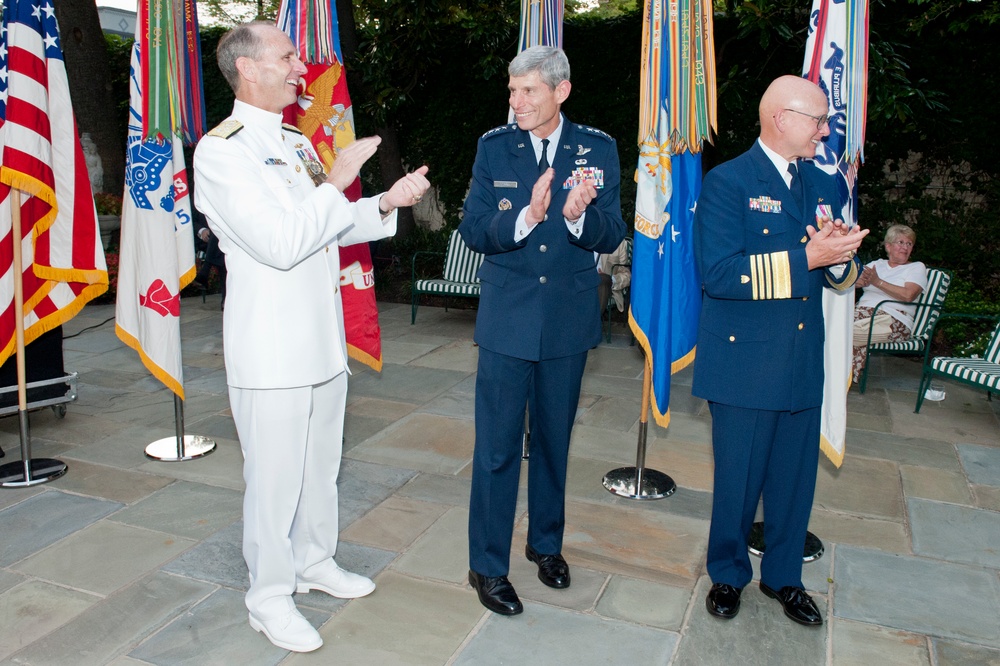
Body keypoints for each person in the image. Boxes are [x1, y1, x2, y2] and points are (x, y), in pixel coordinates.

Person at [193, 22, 430, 653]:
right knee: (273, 480)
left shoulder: (295, 141)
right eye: (289, 56)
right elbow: (279, 241)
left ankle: (313, 560)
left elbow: (322, 226)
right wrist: (335, 180)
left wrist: (382, 202)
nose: (302, 67)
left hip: (322, 339)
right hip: (272, 350)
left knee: (321, 467)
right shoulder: (222, 151)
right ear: (248, 69)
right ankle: (268, 596)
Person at [692, 75, 867, 627]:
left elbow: (841, 273)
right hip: (744, 363)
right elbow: (718, 275)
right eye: (816, 120)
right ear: (780, 118)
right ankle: (727, 575)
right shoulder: (728, 182)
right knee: (738, 481)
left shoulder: (821, 183)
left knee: (794, 482)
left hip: (799, 359)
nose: (824, 130)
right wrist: (808, 261)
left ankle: (785, 578)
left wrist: (838, 258)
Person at [459, 45, 627, 616]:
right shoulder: (494, 147)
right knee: (498, 449)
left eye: (528, 90)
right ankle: (487, 566)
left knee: (554, 443)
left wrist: (579, 215)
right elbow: (475, 229)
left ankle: (546, 546)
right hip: (508, 319)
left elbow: (612, 233)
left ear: (562, 91)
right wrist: (528, 216)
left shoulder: (597, 149)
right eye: (512, 90)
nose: (516, 101)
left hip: (566, 321)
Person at [851, 224, 927, 382]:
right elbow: (853, 282)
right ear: (888, 246)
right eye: (901, 242)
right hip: (861, 315)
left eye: (909, 244)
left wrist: (877, 282)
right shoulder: (876, 264)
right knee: (833, 326)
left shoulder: (916, 268)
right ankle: (842, 376)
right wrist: (856, 281)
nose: (905, 247)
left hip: (895, 320)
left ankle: (842, 377)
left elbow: (908, 295)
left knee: (841, 332)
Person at [191, 198, 228, 309]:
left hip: (219, 242)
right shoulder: (196, 198)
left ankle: (205, 271)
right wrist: (201, 231)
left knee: (219, 239)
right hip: (204, 241)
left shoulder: (222, 196)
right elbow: (188, 220)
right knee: (222, 249)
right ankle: (225, 299)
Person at [597, 237, 631, 314]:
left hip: (606, 285)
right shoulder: (577, 237)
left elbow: (627, 275)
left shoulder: (618, 242)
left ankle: (592, 322)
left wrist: (612, 280)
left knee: (602, 279)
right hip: (582, 283)